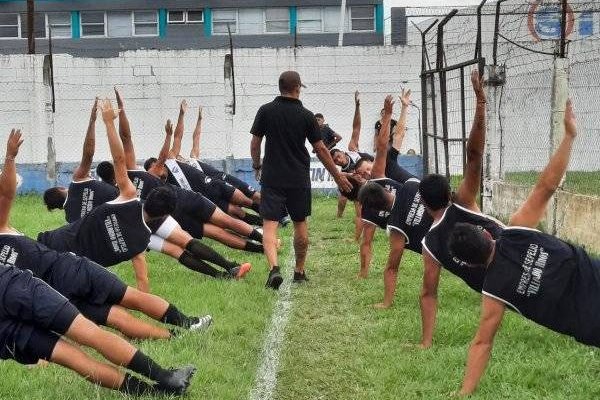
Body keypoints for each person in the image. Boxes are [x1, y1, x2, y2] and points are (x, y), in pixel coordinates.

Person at [0, 130, 196, 396]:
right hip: (41, 283)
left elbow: (6, 195)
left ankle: (153, 392)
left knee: (78, 357)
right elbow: (7, 195)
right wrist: (10, 157)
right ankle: (166, 377)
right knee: (93, 333)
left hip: (24, 305)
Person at [38, 99, 250, 291]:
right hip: (138, 211)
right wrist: (99, 122)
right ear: (61, 189)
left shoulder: (71, 218)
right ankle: (230, 267)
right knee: (185, 241)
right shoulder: (79, 183)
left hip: (130, 232)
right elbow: (93, 153)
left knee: (176, 252)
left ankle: (220, 276)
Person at [446, 99, 581, 397]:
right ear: (486, 231)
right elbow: (546, 186)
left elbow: (482, 342)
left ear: (470, 266)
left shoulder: (494, 291)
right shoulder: (517, 229)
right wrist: (569, 136)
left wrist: (463, 393)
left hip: (583, 319)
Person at [110, 88, 266, 254]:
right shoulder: (137, 182)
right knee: (222, 228)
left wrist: (182, 115)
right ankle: (262, 245)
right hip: (181, 208)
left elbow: (177, 138)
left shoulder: (164, 164)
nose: (158, 171)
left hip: (201, 193)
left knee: (232, 216)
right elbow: (131, 142)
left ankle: (266, 238)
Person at [416, 69, 503, 348]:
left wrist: (426, 342)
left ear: (424, 203)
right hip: (518, 255)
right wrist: (480, 102)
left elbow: (429, 294)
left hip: (500, 288)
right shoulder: (463, 200)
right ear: (449, 192)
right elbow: (474, 155)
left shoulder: (430, 244)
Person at [250, 70, 352, 289]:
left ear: (280, 88)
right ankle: (299, 271)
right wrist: (337, 175)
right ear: (297, 88)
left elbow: (255, 143)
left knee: (270, 225)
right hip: (298, 178)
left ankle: (274, 269)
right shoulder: (307, 115)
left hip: (272, 176)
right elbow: (322, 150)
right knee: (300, 223)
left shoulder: (265, 111)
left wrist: (257, 165)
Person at [357, 95, 432, 307]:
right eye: (363, 174)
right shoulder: (388, 210)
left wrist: (391, 115)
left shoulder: (396, 222)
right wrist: (363, 272)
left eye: (367, 170)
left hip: (426, 210)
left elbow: (386, 144)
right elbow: (367, 241)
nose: (367, 174)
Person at [43, 98, 118, 222]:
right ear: (60, 188)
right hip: (125, 201)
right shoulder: (77, 180)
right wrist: (92, 121)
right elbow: (88, 154)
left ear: (58, 207)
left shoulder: (71, 219)